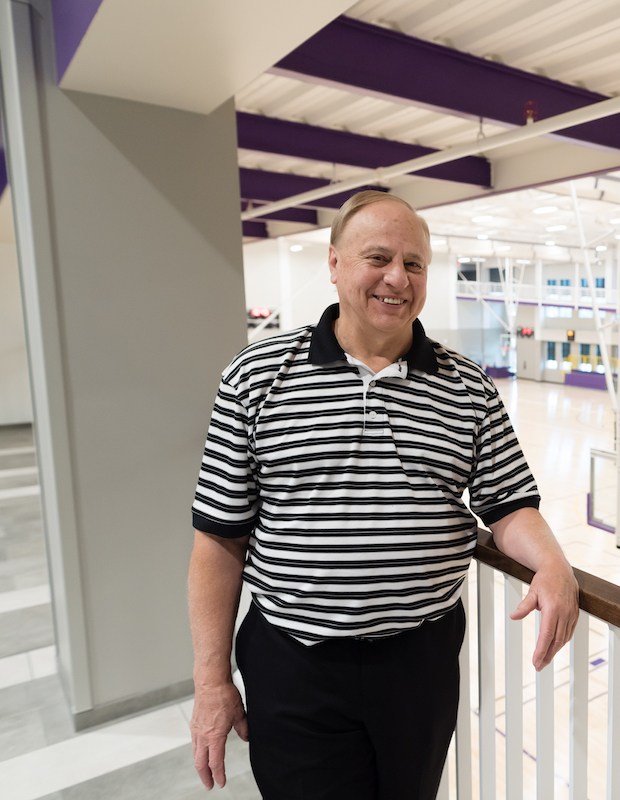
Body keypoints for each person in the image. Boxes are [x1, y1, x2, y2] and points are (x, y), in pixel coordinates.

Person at [188, 191, 578, 799]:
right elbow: (219, 536)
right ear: (335, 263)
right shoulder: (256, 376)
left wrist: (552, 562)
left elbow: (507, 504)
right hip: (296, 665)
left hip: (418, 666)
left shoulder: (467, 386)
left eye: (414, 263)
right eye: (378, 257)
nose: (397, 277)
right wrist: (211, 679)